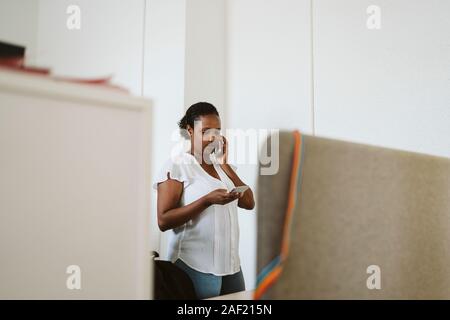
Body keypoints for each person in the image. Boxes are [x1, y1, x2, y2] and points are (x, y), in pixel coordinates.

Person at [153, 102, 255, 299]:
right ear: (190, 130)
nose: (212, 137)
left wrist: (224, 164)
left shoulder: (221, 167)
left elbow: (249, 203)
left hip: (231, 266)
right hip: (196, 265)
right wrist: (206, 200)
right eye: (206, 131)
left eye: (217, 131)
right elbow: (163, 221)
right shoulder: (178, 166)